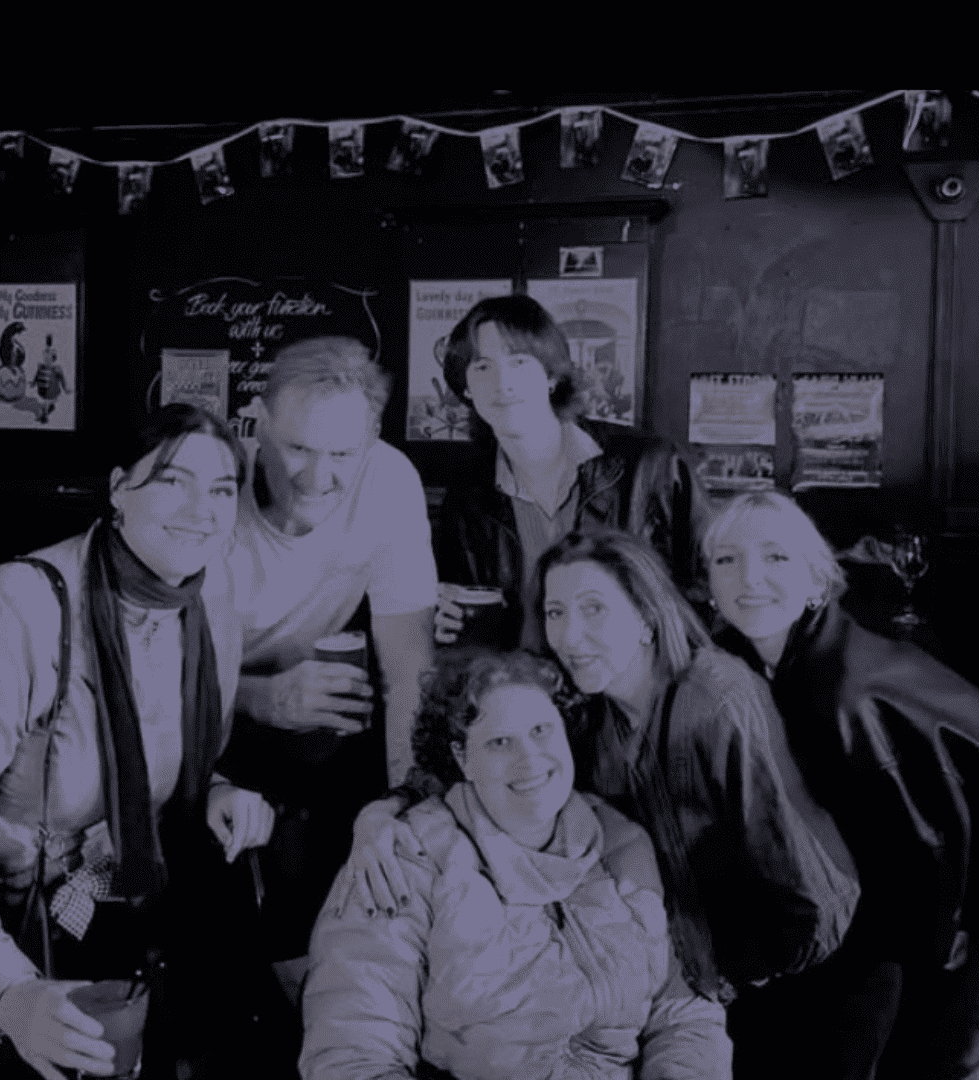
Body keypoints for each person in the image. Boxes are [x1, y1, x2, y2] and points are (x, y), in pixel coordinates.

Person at [346, 530, 858, 1052]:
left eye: (594, 609)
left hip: (802, 993)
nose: (570, 636)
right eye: (556, 612)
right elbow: (465, 762)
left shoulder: (715, 701)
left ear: (644, 617)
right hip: (688, 990)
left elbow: (813, 902)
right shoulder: (587, 710)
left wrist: (713, 978)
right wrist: (378, 818)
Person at [0, 403, 274, 1080]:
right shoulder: (11, 610)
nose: (201, 509)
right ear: (120, 487)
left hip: (103, 918)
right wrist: (6, 994)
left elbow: (153, 756)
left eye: (221, 490)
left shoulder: (210, 610)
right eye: (173, 481)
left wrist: (216, 787)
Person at [300, 649, 733, 1080]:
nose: (529, 760)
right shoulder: (404, 859)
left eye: (542, 731)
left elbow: (683, 1014)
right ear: (462, 758)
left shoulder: (623, 843)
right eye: (499, 742)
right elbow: (352, 1057)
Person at [703, 490, 979, 1080]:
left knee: (951, 1062)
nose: (750, 577)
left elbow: (922, 853)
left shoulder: (840, 696)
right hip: (936, 876)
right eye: (726, 560)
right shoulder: (753, 660)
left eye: (776, 558)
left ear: (818, 582)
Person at [216, 336, 436, 976]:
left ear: (371, 438)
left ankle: (329, 984)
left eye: (342, 453)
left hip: (319, 720)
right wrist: (261, 696)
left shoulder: (390, 477)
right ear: (257, 420)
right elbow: (149, 670)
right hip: (202, 712)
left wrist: (404, 805)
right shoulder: (211, 482)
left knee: (356, 816)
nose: (318, 478)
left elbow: (408, 668)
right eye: (297, 449)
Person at [433, 294, 712, 652]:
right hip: (528, 693)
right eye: (482, 367)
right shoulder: (468, 498)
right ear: (467, 389)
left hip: (633, 691)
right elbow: (466, 624)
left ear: (551, 375)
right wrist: (448, 625)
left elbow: (708, 585)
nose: (502, 383)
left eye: (519, 361)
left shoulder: (649, 465)